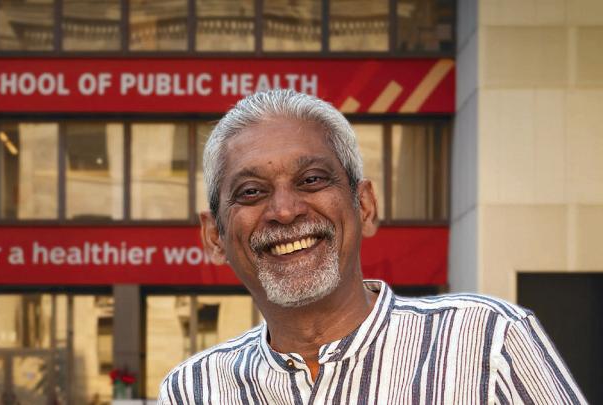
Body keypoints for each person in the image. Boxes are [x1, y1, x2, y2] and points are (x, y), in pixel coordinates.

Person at [158, 89, 586, 404]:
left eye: (311, 180)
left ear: (364, 205)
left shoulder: (489, 342)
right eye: (251, 192)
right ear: (214, 235)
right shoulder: (193, 390)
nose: (285, 211)